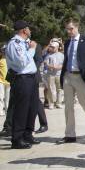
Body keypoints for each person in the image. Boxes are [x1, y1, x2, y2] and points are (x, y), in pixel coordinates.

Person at [57, 18, 85, 143]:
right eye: (67, 29)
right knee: (68, 106)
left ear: (77, 27)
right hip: (68, 75)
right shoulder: (67, 43)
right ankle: (70, 134)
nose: (69, 31)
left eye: (71, 28)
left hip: (82, 77)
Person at [5, 20, 40, 149]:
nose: (30, 31)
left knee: (32, 107)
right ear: (24, 30)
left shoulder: (25, 43)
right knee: (21, 109)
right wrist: (32, 49)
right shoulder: (15, 44)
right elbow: (22, 62)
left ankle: (27, 134)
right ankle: (17, 138)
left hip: (31, 78)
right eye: (28, 29)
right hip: (21, 78)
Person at [43, 41, 63, 109]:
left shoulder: (61, 55)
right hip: (50, 75)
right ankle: (51, 103)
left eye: (53, 47)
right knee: (51, 89)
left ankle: (58, 103)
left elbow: (63, 64)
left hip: (59, 74)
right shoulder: (49, 55)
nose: (52, 48)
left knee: (59, 89)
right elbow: (45, 64)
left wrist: (58, 67)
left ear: (57, 47)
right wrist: (51, 66)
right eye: (51, 47)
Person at [0, 45, 9, 117]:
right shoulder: (0, 60)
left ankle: (7, 110)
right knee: (1, 96)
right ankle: (0, 111)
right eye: (3, 50)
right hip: (1, 81)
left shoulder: (11, 60)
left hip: (9, 82)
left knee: (8, 97)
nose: (4, 52)